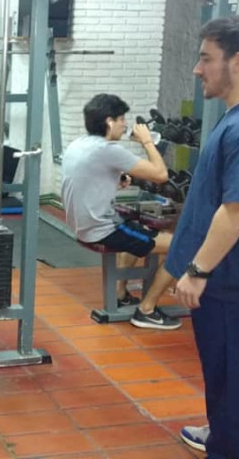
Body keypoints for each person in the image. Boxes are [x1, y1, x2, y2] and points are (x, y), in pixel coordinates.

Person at [169, 16, 239, 459]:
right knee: (226, 377)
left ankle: (227, 448)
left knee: (230, 381)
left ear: (238, 62)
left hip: (231, 284)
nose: (197, 69)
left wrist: (198, 270)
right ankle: (221, 435)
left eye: (206, 58)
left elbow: (237, 209)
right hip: (232, 279)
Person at [61, 93, 180, 330]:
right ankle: (146, 310)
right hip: (103, 230)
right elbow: (160, 175)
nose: (125, 125)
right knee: (183, 246)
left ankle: (120, 293)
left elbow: (88, 179)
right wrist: (147, 142)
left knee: (140, 227)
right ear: (109, 121)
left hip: (83, 226)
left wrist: (116, 180)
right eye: (122, 119)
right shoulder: (108, 150)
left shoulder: (79, 144)